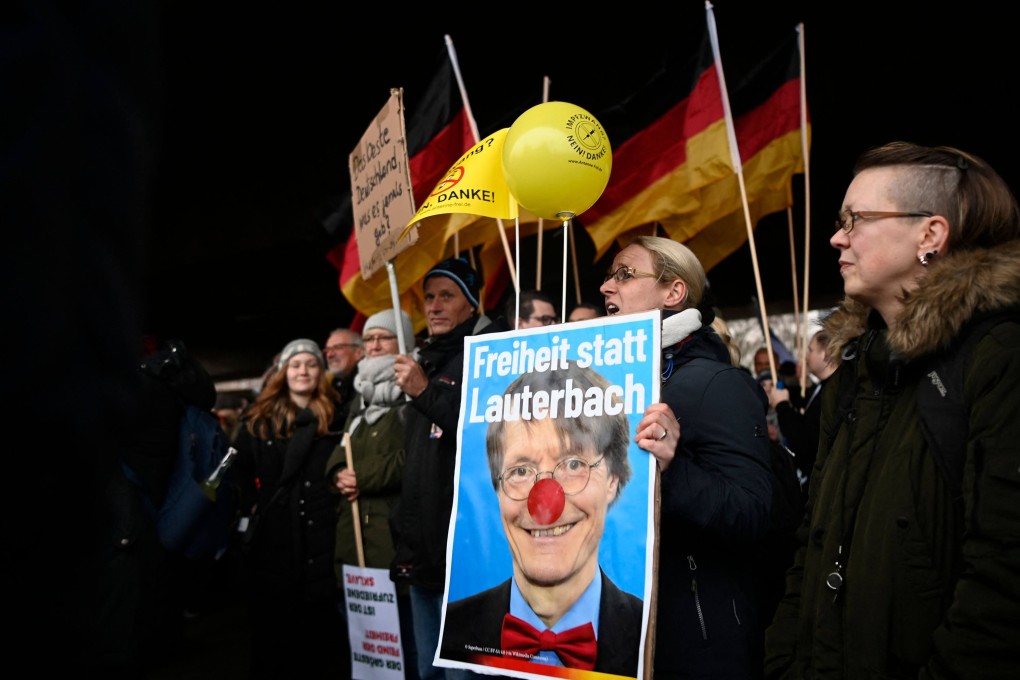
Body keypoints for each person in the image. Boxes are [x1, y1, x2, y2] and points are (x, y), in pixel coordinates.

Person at [764, 141, 1020, 679]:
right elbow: (812, 544)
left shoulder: (998, 359)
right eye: (840, 221)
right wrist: (785, 659)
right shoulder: (856, 370)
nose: (837, 236)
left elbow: (1002, 578)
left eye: (855, 219)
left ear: (930, 235)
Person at [600, 235, 774, 678]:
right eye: (609, 275)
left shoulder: (718, 384)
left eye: (624, 274)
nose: (606, 287)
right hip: (622, 627)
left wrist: (673, 469)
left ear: (674, 292)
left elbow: (753, 513)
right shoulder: (605, 384)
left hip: (696, 637)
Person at [441, 364, 642, 676]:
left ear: (613, 479)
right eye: (521, 471)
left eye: (573, 464)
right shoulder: (454, 629)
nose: (545, 504)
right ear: (497, 489)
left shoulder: (653, 631)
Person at [391, 257, 502, 680]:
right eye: (429, 297)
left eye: (447, 296)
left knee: (463, 674)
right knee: (426, 670)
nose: (434, 306)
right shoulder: (427, 359)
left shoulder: (488, 356)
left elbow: (484, 432)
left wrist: (423, 390)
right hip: (422, 551)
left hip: (464, 553)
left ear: (472, 305)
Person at [233, 339, 348, 679]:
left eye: (311, 364)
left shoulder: (336, 416)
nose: (303, 371)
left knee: (318, 637)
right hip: (275, 542)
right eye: (295, 365)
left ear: (320, 372)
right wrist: (249, 505)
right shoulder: (259, 421)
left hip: (321, 538)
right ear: (284, 372)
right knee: (274, 633)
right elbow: (237, 471)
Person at [326, 309, 420, 680]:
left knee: (405, 652)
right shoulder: (359, 396)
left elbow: (411, 458)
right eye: (369, 339)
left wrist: (361, 476)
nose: (374, 345)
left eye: (384, 338)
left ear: (405, 344)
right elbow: (339, 453)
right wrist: (338, 475)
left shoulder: (414, 391)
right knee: (369, 656)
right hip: (355, 546)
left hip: (391, 546)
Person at [766, 330, 835, 489]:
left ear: (824, 354)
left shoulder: (832, 392)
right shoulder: (825, 387)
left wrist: (782, 406)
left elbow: (804, 440)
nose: (806, 357)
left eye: (810, 350)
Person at [324, 327, 364, 422]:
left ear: (358, 352)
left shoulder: (367, 383)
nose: (329, 355)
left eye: (337, 347)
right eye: (327, 350)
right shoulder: (330, 386)